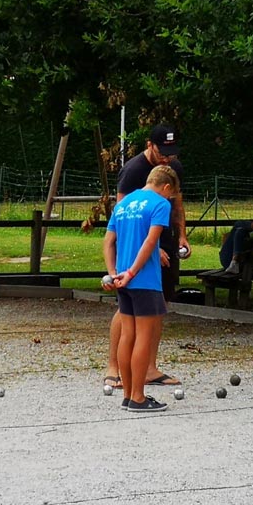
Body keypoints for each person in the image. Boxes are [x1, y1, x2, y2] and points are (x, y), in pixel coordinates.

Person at [103, 123, 190, 390]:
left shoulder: (172, 169)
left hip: (158, 244)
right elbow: (123, 220)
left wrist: (182, 236)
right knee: (129, 316)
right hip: (138, 254)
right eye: (162, 151)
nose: (167, 157)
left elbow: (178, 203)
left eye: (171, 152)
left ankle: (147, 371)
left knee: (158, 307)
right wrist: (151, 250)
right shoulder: (133, 171)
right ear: (149, 145)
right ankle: (116, 370)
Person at [103, 165, 180, 412]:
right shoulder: (160, 204)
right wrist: (134, 272)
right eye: (171, 193)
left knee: (127, 336)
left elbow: (109, 241)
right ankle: (138, 397)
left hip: (121, 279)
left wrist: (114, 273)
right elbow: (150, 241)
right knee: (144, 337)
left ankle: (128, 395)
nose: (170, 198)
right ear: (166, 187)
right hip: (144, 280)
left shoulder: (123, 204)